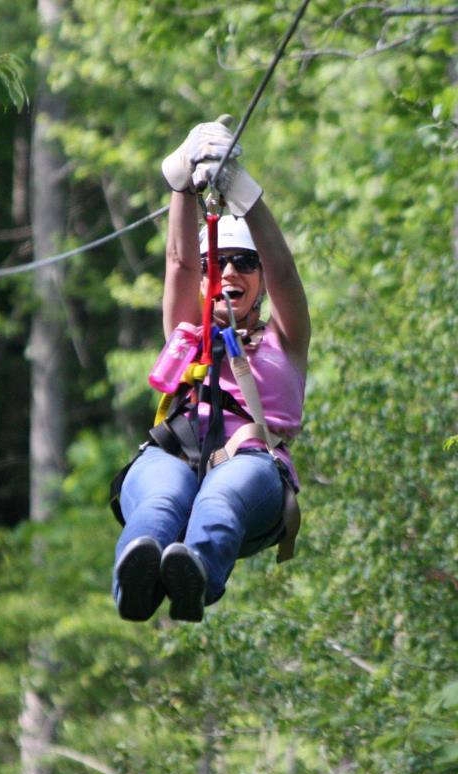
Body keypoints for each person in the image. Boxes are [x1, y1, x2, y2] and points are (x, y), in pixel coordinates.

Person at [112, 120, 310, 623]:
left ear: (260, 279)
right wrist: (180, 185)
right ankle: (136, 580)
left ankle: (194, 573)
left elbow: (284, 269)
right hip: (174, 455)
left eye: (244, 263)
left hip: (251, 466)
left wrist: (246, 195)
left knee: (222, 496)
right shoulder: (186, 329)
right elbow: (178, 261)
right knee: (160, 499)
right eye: (217, 264)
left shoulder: (284, 339)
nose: (229, 273)